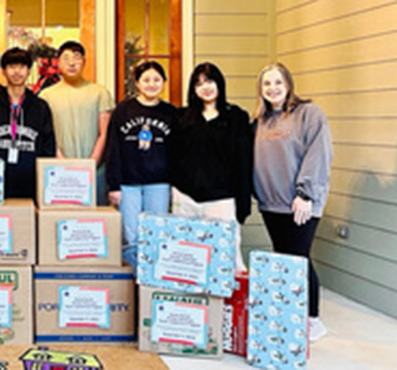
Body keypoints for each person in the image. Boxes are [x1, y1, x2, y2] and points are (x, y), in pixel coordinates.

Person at [253, 62, 332, 341]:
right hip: (271, 203)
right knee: (285, 259)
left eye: (277, 82)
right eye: (266, 84)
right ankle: (292, 315)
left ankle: (312, 319)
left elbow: (318, 154)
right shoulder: (260, 121)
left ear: (288, 85)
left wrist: (306, 193)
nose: (272, 88)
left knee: (299, 259)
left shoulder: (308, 114)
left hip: (301, 202)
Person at [169, 62, 253, 272]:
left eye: (209, 81)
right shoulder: (181, 117)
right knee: (186, 254)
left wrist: (243, 204)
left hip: (222, 198)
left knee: (228, 256)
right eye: (198, 84)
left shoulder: (236, 117)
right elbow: (173, 157)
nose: (205, 87)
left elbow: (244, 162)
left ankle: (226, 304)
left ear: (219, 83)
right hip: (185, 196)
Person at [106, 61, 177, 263]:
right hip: (128, 184)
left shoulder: (171, 113)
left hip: (159, 183)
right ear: (137, 83)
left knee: (156, 234)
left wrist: (175, 184)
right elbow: (114, 149)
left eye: (156, 79)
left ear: (164, 82)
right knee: (131, 237)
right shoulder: (122, 110)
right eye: (146, 80)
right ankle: (133, 286)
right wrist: (114, 185)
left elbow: (176, 152)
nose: (151, 84)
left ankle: (150, 286)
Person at [38, 41, 115, 205]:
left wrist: (92, 164)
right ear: (58, 63)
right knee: (61, 221)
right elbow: (46, 134)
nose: (71, 63)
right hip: (58, 170)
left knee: (94, 221)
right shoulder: (46, 95)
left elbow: (104, 132)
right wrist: (63, 163)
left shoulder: (100, 92)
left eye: (77, 58)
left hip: (96, 169)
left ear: (85, 62)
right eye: (65, 59)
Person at [0, 47, 56, 198]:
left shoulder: (40, 107)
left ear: (28, 71)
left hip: (33, 182)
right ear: (3, 71)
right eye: (12, 66)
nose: (17, 71)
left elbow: (48, 147)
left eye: (22, 66)